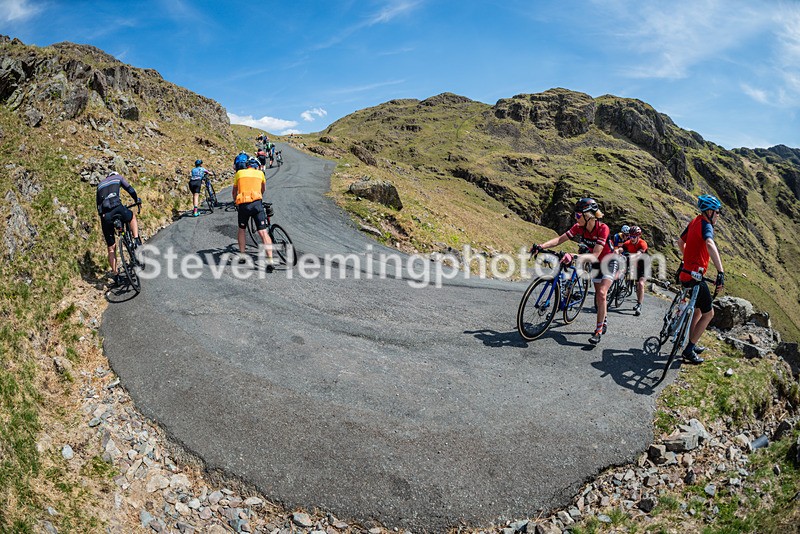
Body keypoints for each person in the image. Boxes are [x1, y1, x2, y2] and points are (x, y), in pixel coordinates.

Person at [532, 198, 617, 344]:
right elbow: (560, 239)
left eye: (578, 215)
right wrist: (542, 246)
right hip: (595, 263)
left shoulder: (603, 228)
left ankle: (598, 330)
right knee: (598, 296)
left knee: (602, 294)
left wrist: (573, 255)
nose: (575, 217)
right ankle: (604, 317)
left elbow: (596, 254)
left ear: (588, 215)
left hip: (609, 261)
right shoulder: (579, 227)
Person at [676, 194, 725, 364]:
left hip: (684, 272)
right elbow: (710, 244)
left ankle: (692, 341)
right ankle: (689, 350)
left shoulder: (694, 221)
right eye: (717, 212)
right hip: (695, 277)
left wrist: (688, 260)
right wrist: (720, 272)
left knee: (697, 310)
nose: (718, 215)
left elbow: (679, 243)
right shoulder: (706, 226)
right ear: (710, 211)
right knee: (709, 313)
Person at [96, 172, 142, 286]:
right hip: (118, 208)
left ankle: (116, 275)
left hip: (105, 216)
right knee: (132, 217)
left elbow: (98, 206)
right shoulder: (118, 178)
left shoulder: (100, 185)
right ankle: (136, 240)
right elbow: (130, 189)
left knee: (111, 248)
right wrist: (137, 200)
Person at [233, 157, 274, 272]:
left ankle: (242, 256)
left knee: (242, 229)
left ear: (247, 166)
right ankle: (270, 260)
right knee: (263, 232)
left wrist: (235, 202)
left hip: (243, 205)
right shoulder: (260, 173)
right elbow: (263, 189)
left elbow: (234, 191)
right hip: (256, 204)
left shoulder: (239, 173)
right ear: (257, 166)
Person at [620, 225, 648, 316]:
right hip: (634, 265)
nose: (631, 238)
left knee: (640, 284)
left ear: (638, 236)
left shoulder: (642, 243)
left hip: (644, 266)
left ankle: (639, 305)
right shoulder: (628, 243)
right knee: (636, 285)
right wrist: (617, 251)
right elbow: (622, 248)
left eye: (633, 237)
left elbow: (639, 253)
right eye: (630, 236)